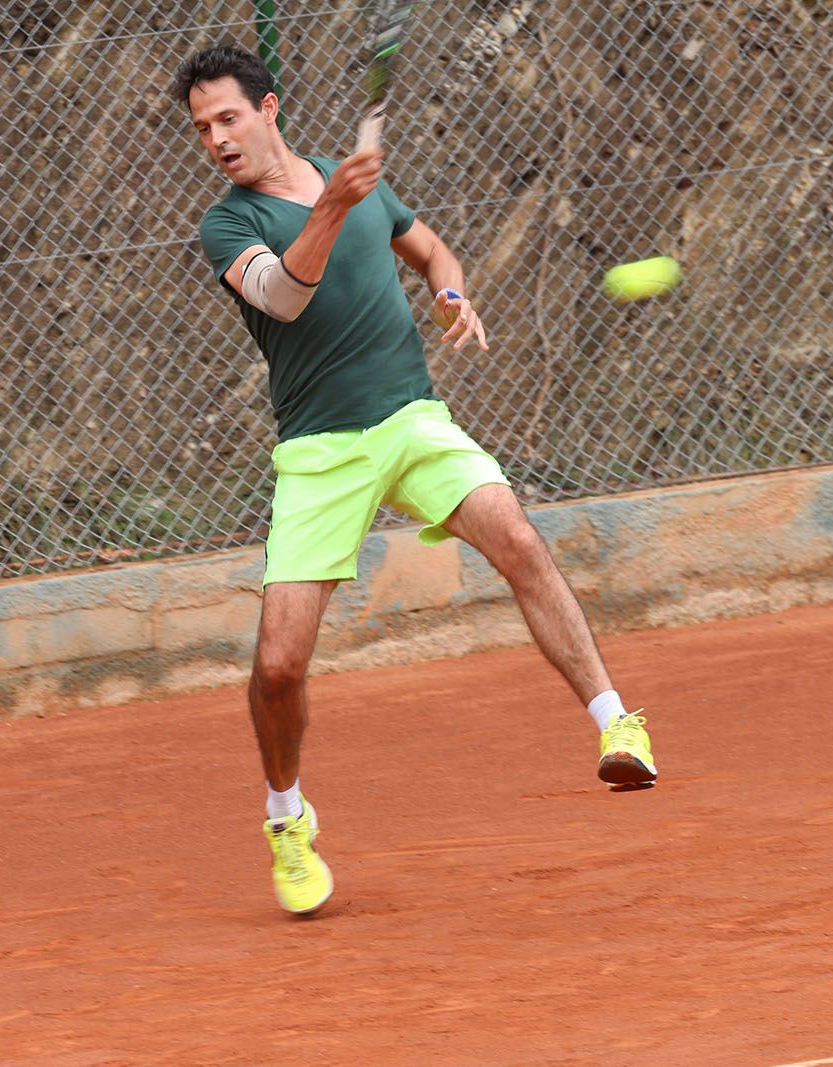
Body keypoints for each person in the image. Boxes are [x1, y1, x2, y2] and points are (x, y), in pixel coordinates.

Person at [172, 44, 657, 916]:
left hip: (411, 417)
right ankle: (287, 816)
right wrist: (331, 205)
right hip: (319, 450)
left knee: (514, 535)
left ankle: (616, 719)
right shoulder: (228, 226)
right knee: (279, 666)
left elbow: (432, 251)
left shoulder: (354, 184)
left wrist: (449, 294)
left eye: (228, 118)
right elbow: (283, 296)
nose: (216, 138)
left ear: (268, 108)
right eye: (202, 127)